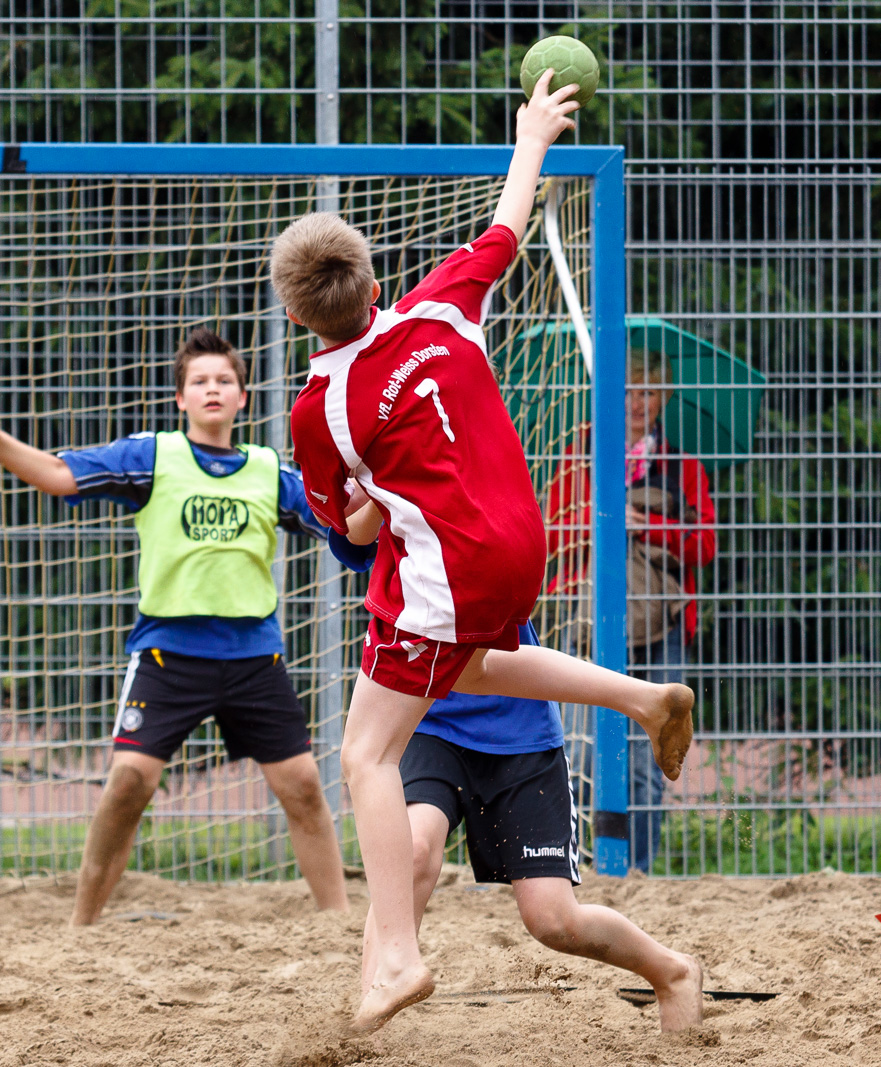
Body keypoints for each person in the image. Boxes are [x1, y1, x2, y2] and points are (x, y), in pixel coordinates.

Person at [274, 70, 699, 1032]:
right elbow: (506, 225)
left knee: (362, 755)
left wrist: (373, 514)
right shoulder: (438, 306)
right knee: (468, 666)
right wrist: (534, 130)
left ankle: (394, 953)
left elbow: (345, 528)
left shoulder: (318, 407)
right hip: (524, 542)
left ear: (296, 318)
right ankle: (639, 696)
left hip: (449, 566)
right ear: (378, 284)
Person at [0, 328, 349, 924]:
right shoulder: (153, 457)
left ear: (242, 396)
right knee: (129, 781)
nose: (213, 389)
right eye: (200, 381)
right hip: (169, 657)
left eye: (224, 381)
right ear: (181, 398)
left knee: (305, 788)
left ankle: (337, 920)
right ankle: (83, 925)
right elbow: (59, 475)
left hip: (252, 657)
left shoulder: (268, 473)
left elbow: (344, 523)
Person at [329, 530, 704, 1031]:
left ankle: (673, 972)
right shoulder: (385, 489)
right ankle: (369, 1015)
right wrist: (370, 475)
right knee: (414, 849)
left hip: (520, 732)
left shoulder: (475, 496)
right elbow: (350, 538)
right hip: (425, 722)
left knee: (553, 921)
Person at [545, 362, 717, 873]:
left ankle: (636, 870)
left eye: (650, 391)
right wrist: (603, 521)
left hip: (658, 623)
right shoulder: (579, 459)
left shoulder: (683, 467)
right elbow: (550, 534)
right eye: (629, 388)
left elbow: (704, 545)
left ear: (664, 398)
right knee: (574, 753)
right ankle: (574, 867)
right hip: (587, 623)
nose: (639, 401)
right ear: (610, 394)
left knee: (648, 759)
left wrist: (647, 526)